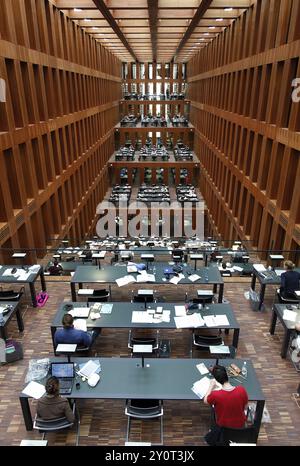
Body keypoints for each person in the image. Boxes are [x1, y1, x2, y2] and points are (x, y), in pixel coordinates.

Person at [203, 365, 248, 445]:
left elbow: (206, 400)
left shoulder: (216, 395)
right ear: (227, 375)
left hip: (223, 428)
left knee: (208, 438)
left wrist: (211, 386)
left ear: (216, 380)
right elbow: (246, 407)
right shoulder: (241, 390)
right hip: (240, 426)